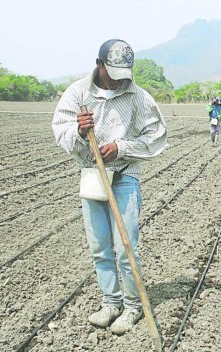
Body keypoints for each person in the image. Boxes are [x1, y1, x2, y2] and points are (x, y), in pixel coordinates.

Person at [52, 39, 168, 334]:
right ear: (98, 64)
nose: (118, 82)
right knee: (100, 248)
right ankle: (110, 302)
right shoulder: (77, 93)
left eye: (123, 75)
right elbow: (60, 131)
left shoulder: (139, 96)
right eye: (112, 74)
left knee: (126, 247)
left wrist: (122, 147)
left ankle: (132, 307)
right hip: (92, 176)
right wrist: (79, 130)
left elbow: (156, 136)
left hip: (125, 176)